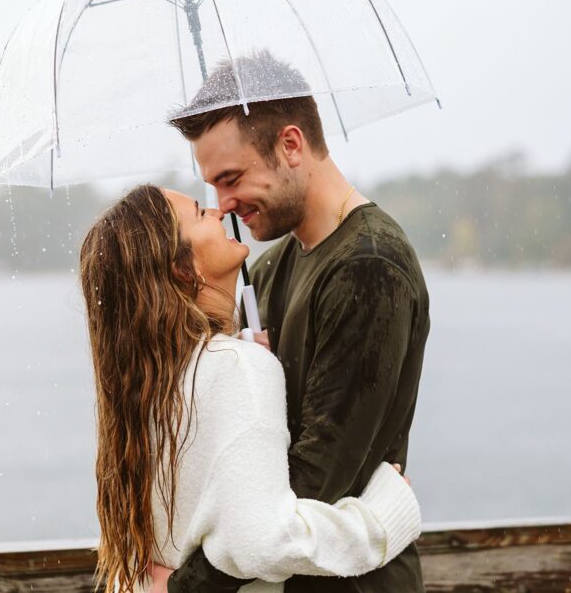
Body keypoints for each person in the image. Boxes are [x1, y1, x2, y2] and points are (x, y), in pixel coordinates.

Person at [162, 51, 431, 593]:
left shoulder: (368, 266)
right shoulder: (267, 270)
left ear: (290, 145)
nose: (225, 204)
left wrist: (182, 587)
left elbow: (315, 482)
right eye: (212, 186)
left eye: (232, 177)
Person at [79, 184, 422, 593]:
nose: (216, 210)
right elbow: (262, 543)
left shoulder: (149, 387)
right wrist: (380, 517)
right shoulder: (237, 368)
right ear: (182, 269)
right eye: (197, 214)